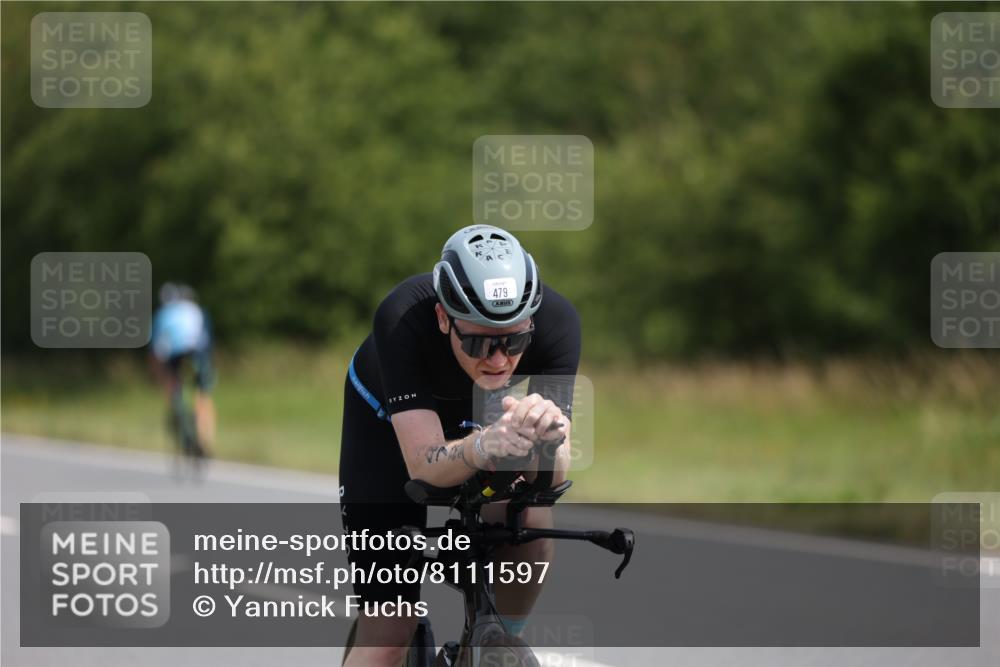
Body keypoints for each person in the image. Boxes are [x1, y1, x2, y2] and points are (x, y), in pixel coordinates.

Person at [339, 225, 581, 667]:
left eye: (514, 340)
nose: (499, 359)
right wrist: (483, 446)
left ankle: (491, 644)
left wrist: (547, 439)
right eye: (478, 341)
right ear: (443, 318)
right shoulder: (401, 318)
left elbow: (553, 479)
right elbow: (424, 467)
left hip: (484, 419)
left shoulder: (558, 324)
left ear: (532, 322)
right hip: (389, 429)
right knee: (389, 634)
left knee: (532, 528)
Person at [150, 282, 216, 454]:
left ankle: (179, 415)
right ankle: (204, 440)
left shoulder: (161, 314)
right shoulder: (196, 310)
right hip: (197, 352)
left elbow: (156, 351)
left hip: (174, 356)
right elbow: (207, 340)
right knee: (203, 395)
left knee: (172, 387)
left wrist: (160, 377)